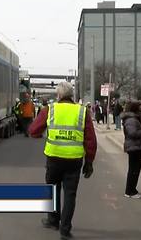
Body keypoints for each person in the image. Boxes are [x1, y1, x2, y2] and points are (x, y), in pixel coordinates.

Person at [29, 82, 97, 240]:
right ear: (71, 95)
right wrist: (89, 162)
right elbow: (90, 140)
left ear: (58, 96)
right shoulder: (82, 111)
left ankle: (53, 221)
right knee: (70, 195)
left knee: (53, 190)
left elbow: (33, 131)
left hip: (54, 158)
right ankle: (65, 230)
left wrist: (41, 134)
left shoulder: (50, 109)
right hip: (74, 160)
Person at [120, 100, 141, 199]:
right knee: (134, 170)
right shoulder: (131, 120)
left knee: (135, 169)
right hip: (134, 147)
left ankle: (132, 190)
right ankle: (130, 191)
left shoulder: (133, 118)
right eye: (139, 106)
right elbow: (132, 133)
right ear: (134, 108)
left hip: (136, 147)